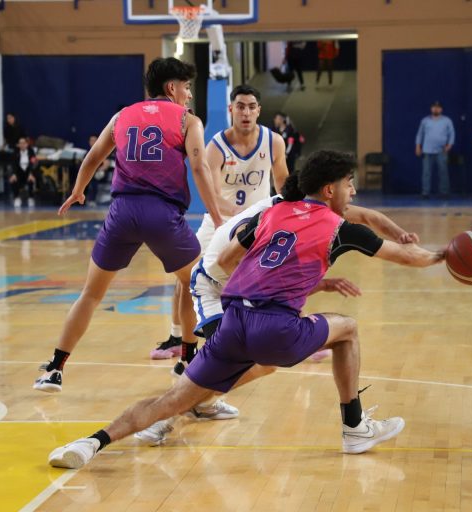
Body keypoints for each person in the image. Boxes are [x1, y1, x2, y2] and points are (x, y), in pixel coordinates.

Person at [47, 149, 445, 469]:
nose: (353, 190)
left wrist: (287, 280)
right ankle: (355, 427)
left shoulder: (273, 212)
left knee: (168, 400)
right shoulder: (340, 228)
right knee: (348, 327)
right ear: (329, 189)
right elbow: (408, 257)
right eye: (349, 183)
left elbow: (230, 258)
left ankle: (90, 443)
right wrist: (444, 256)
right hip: (273, 327)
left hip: (234, 323)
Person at [135, 172, 421, 445]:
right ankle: (165, 417)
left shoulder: (290, 210)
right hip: (213, 287)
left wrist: (402, 236)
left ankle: (198, 402)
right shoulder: (277, 217)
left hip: (239, 290)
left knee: (263, 364)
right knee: (229, 363)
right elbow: (244, 271)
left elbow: (368, 216)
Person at [33, 57, 223, 392]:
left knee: (91, 294)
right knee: (194, 282)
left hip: (121, 212)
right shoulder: (187, 120)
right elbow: (199, 167)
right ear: (172, 88)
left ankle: (55, 368)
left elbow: (94, 157)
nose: (189, 94)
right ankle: (188, 360)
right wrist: (218, 218)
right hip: (161, 214)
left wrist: (78, 190)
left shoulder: (122, 115)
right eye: (187, 87)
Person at [151, 84, 289, 365]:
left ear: (259, 110)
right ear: (230, 109)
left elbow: (283, 184)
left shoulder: (273, 141)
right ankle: (177, 336)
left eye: (251, 107)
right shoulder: (216, 146)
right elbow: (212, 194)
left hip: (258, 224)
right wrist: (240, 215)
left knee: (283, 272)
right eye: (240, 106)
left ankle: (290, 331)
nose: (246, 112)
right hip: (219, 221)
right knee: (187, 275)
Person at [415, 101, 454, 198]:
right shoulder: (425, 121)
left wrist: (449, 145)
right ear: (431, 109)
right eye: (434, 107)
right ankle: (425, 193)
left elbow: (452, 134)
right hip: (427, 150)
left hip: (441, 150)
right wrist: (418, 146)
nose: (436, 109)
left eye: (438, 107)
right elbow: (420, 134)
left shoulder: (447, 121)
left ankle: (444, 193)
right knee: (426, 173)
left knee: (443, 172)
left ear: (441, 109)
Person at [10, 137, 38, 208]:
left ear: (26, 144)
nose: (22, 145)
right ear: (18, 145)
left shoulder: (31, 152)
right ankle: (16, 198)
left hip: (28, 172)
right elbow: (13, 164)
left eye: (23, 143)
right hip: (19, 173)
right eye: (20, 143)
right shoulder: (15, 152)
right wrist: (13, 174)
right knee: (13, 180)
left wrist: (31, 174)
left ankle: (31, 198)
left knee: (31, 179)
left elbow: (34, 164)